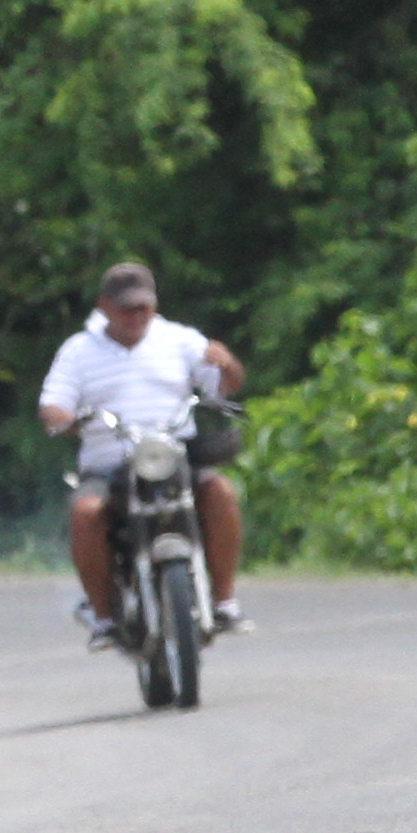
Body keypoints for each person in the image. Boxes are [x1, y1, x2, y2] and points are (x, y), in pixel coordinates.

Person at [38, 260, 245, 650]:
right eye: (126, 308)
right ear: (104, 307)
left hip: (172, 456)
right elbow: (53, 403)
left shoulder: (180, 340)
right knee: (85, 512)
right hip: (109, 464)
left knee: (220, 492)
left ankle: (224, 601)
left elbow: (224, 385)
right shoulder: (79, 350)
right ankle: (102, 616)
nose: (135, 316)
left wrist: (226, 363)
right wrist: (63, 419)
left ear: (154, 304)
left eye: (142, 307)